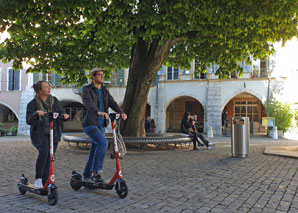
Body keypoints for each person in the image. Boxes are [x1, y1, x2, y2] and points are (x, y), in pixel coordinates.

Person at [82, 67, 127, 182]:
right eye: (99, 74)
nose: (102, 76)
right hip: (90, 123)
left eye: (103, 74)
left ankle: (86, 176)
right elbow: (88, 103)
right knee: (103, 143)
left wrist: (121, 112)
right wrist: (98, 111)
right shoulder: (87, 89)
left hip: (101, 124)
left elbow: (112, 102)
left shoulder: (104, 90)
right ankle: (96, 172)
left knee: (94, 151)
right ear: (93, 76)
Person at [26, 81, 69, 189]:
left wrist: (64, 115)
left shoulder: (54, 101)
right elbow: (29, 120)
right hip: (40, 134)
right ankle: (38, 179)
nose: (49, 88)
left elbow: (60, 112)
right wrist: (36, 114)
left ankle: (45, 181)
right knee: (44, 152)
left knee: (50, 157)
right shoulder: (32, 104)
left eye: (49, 87)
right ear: (40, 91)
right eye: (46, 87)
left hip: (53, 133)